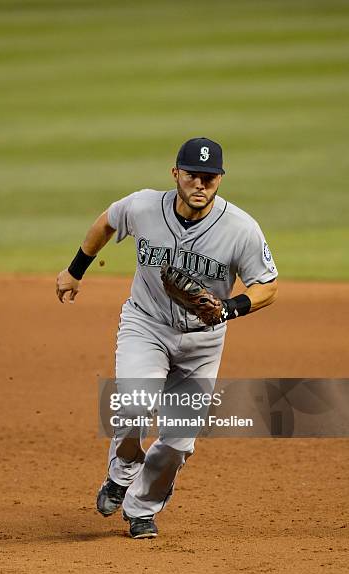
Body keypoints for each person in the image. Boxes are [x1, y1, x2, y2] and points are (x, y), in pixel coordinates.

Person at [56, 137, 278, 539]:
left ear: (220, 180)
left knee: (178, 441)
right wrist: (75, 271)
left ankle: (141, 508)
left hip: (202, 343)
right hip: (146, 325)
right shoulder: (143, 206)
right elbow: (107, 221)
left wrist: (228, 308)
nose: (200, 184)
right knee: (133, 409)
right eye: (193, 175)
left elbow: (268, 286)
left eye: (209, 178)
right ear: (175, 173)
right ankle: (121, 473)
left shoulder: (241, 228)